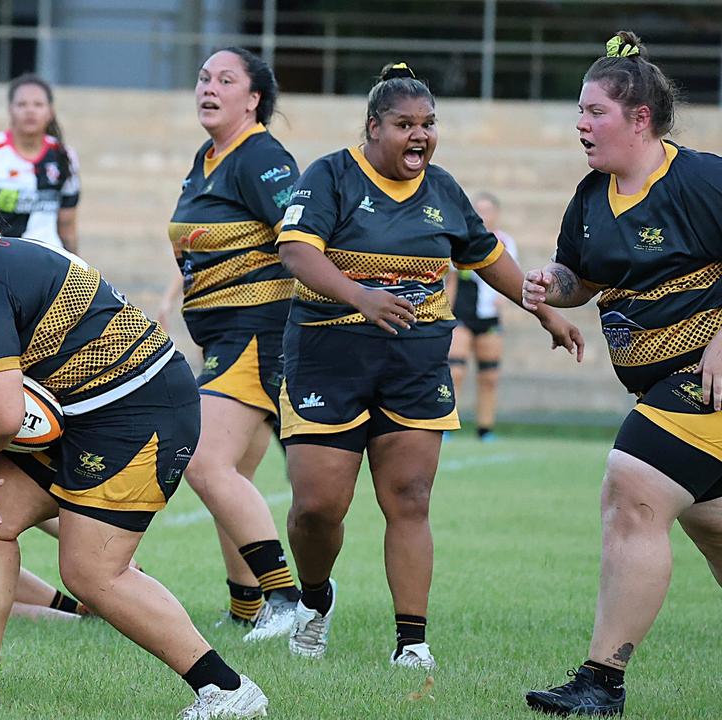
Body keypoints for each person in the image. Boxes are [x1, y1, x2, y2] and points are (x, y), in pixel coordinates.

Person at [0, 189, 266, 719]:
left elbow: (2, 419)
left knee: (92, 571)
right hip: (89, 413)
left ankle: (229, 690)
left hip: (138, 417)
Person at [274, 63, 583, 671]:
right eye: (404, 124)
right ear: (372, 127)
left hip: (414, 366)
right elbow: (295, 251)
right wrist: (360, 296)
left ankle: (411, 641)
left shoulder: (442, 189)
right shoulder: (331, 175)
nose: (420, 135)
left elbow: (486, 255)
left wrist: (545, 313)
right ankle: (315, 600)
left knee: (410, 497)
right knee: (317, 507)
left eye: (429, 124)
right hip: (326, 362)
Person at [523, 32, 722, 717]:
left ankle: (601, 683)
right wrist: (555, 283)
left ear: (640, 118)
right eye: (579, 111)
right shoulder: (591, 196)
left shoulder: (701, 178)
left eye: (594, 110)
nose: (580, 123)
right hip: (662, 389)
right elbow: (587, 278)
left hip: (705, 384)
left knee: (631, 485)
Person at [156, 46, 303, 638]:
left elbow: (301, 239)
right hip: (220, 332)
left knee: (203, 460)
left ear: (254, 98)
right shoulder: (208, 155)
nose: (207, 88)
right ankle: (249, 606)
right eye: (202, 78)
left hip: (255, 332)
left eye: (225, 80)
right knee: (230, 473)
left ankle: (289, 602)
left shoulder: (261, 154)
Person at [0, 74, 80, 253]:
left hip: (50, 258)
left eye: (38, 104)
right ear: (10, 109)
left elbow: (67, 222)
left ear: (50, 111)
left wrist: (77, 263)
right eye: (22, 104)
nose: (30, 111)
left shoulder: (64, 155)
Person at [447, 191, 519, 441]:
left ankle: (485, 429)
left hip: (489, 316)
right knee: (455, 371)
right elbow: (453, 279)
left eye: (487, 210)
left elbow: (510, 279)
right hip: (463, 313)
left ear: (496, 214)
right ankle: (447, 424)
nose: (482, 215)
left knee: (489, 376)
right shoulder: (460, 239)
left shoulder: (505, 242)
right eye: (478, 210)